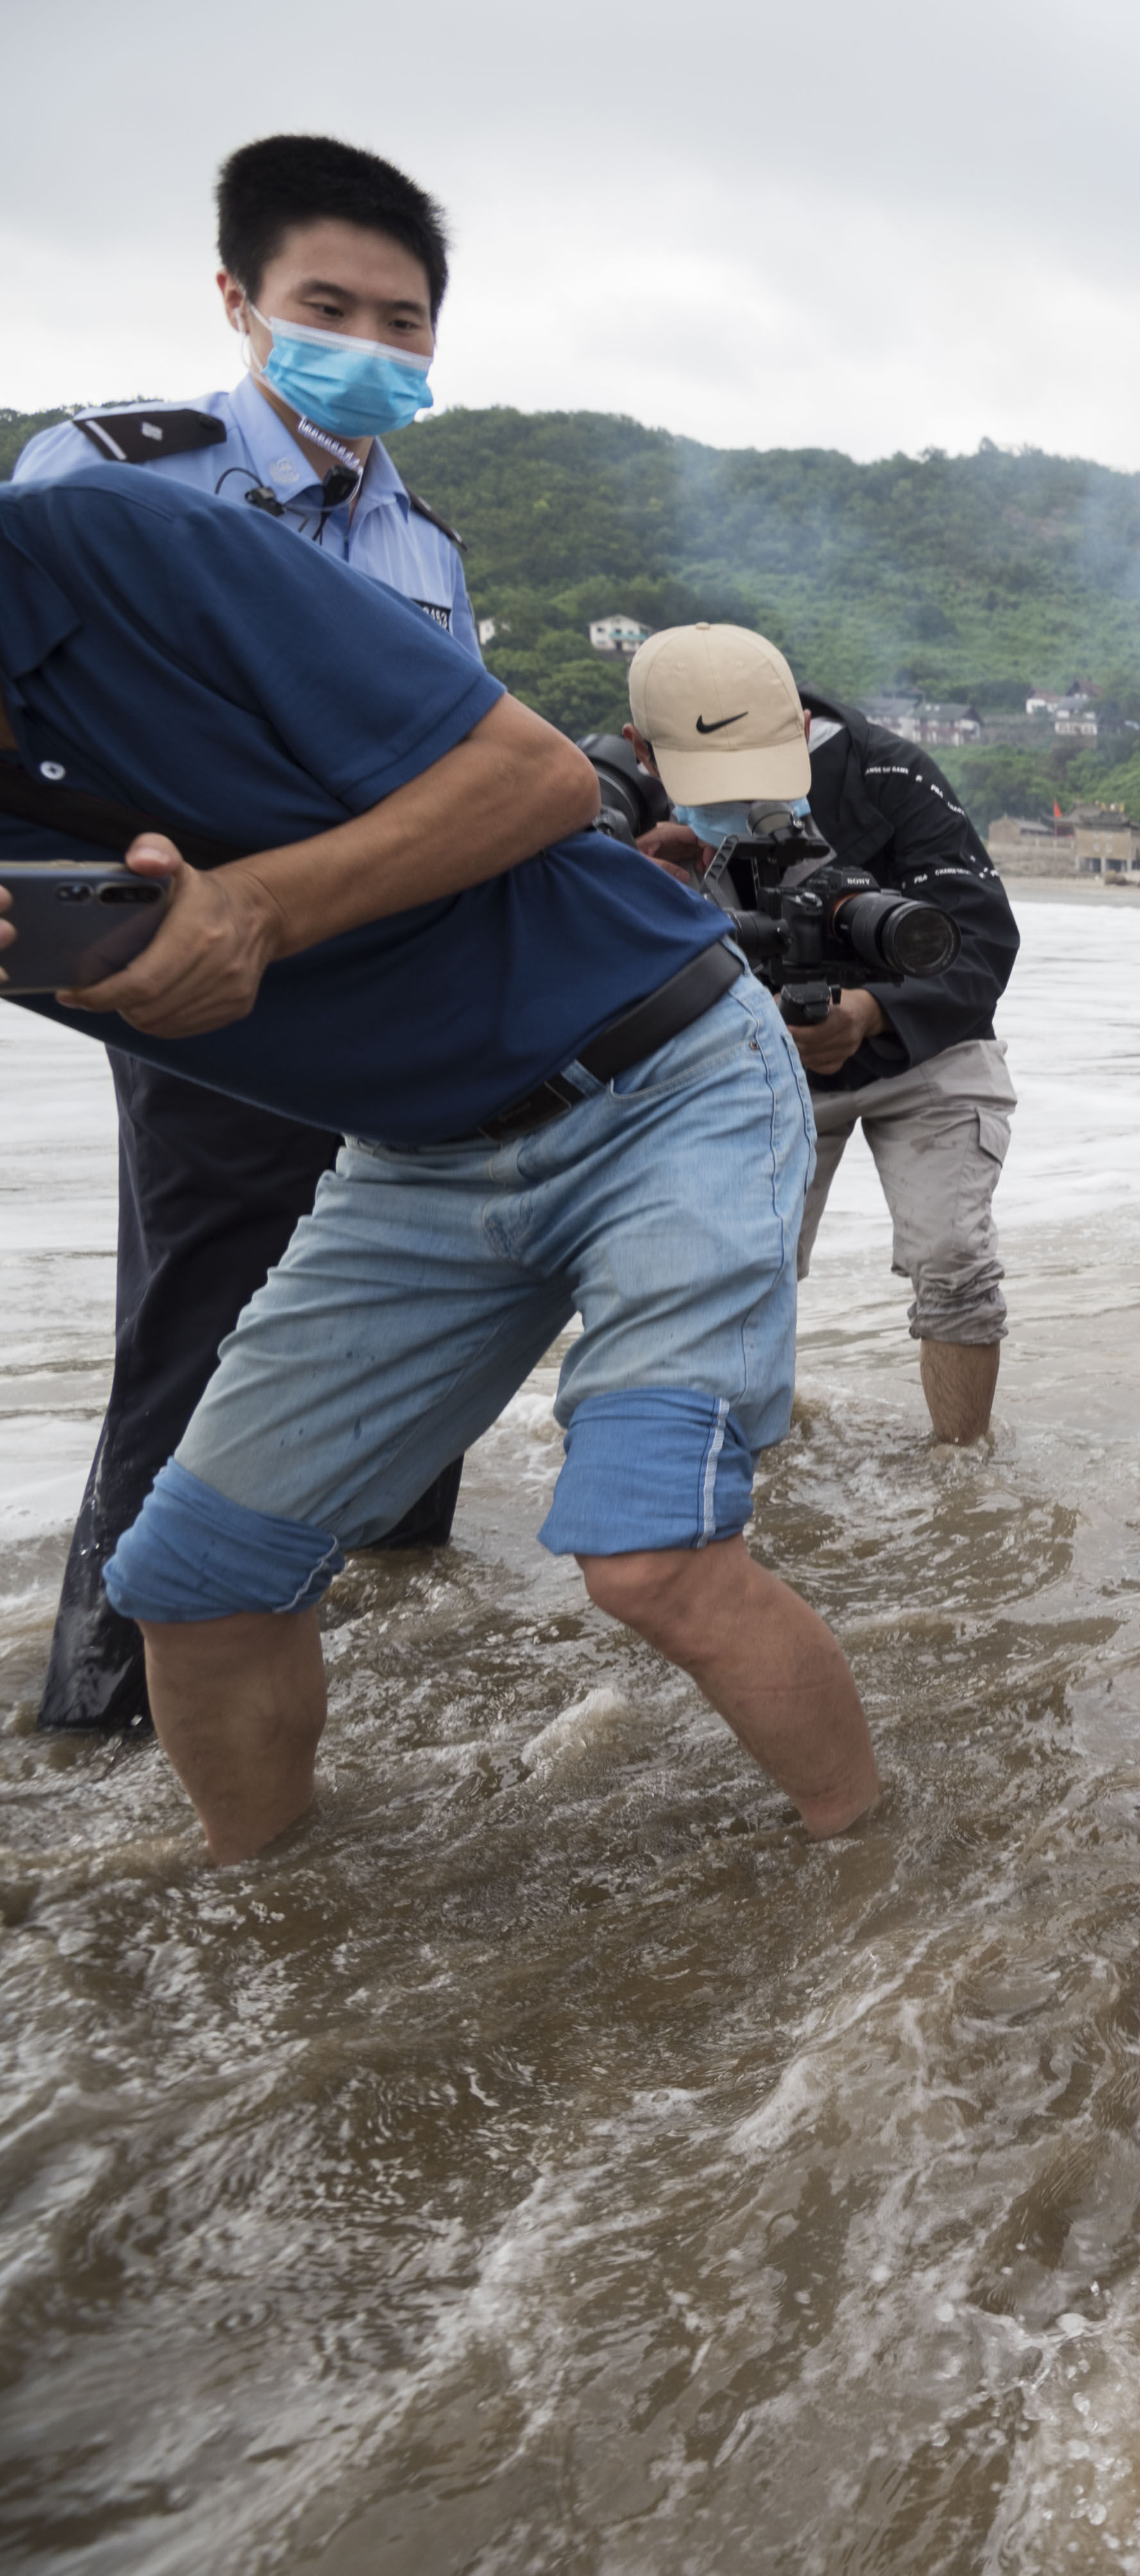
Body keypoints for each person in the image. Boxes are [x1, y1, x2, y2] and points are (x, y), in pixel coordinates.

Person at [0, 469, 877, 1858]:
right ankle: (270, 1918)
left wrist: (258, 912)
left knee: (652, 1555)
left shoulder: (107, 545)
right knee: (191, 1580)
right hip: (412, 1160)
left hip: (665, 1074)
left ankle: (874, 1859)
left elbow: (534, 777)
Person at [15, 133, 477, 1738]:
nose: (369, 345)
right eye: (326, 305)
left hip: (398, 977)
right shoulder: (111, 473)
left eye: (404, 319)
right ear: (239, 300)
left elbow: (450, 778)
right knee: (203, 1311)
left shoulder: (425, 549)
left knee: (430, 1273)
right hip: (205, 977)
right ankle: (106, 1705)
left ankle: (407, 1587)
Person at [626, 625, 1024, 1445]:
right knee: (739, 1272)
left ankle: (964, 1475)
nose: (736, 799)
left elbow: (983, 935)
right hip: (758, 1053)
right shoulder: (634, 804)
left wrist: (870, 1008)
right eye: (711, 781)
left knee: (954, 1259)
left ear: (802, 729)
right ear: (643, 753)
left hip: (928, 1049)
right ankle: (746, 1463)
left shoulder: (890, 773)